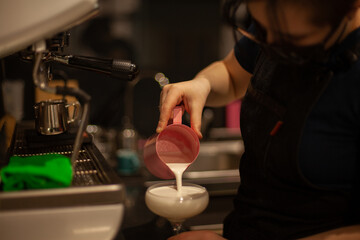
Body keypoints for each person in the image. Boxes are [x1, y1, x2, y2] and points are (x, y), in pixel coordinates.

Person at [156, 0, 360, 239]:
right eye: (262, 30)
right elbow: (232, 75)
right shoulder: (277, 20)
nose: (270, 46)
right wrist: (203, 84)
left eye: (292, 42)